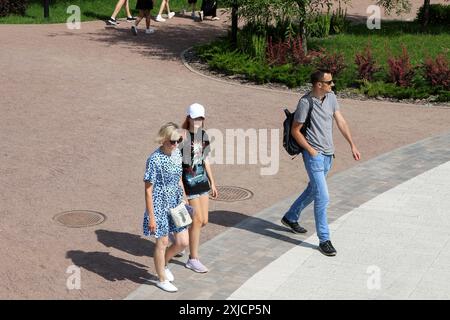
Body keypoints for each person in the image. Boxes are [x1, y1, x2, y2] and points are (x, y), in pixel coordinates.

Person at [281, 69, 361, 257]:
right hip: (314, 156)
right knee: (323, 197)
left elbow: (341, 121)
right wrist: (310, 151)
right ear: (319, 84)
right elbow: (295, 130)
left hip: (328, 155)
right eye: (329, 82)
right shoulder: (305, 102)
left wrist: (352, 145)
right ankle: (324, 239)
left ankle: (290, 217)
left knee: (313, 190)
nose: (332, 85)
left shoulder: (331, 97)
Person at [143, 122, 190, 292]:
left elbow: (179, 178)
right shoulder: (154, 159)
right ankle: (161, 278)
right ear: (163, 139)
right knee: (162, 242)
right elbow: (148, 191)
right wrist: (152, 216)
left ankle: (164, 263)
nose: (175, 144)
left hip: (176, 202)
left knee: (183, 242)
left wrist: (184, 196)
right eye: (172, 141)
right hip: (160, 204)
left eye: (178, 141)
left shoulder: (177, 153)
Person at [180, 103, 218, 273]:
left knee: (204, 221)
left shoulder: (203, 135)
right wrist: (182, 192)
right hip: (189, 184)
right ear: (188, 117)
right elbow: (176, 166)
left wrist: (213, 182)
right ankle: (193, 258)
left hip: (202, 183)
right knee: (196, 221)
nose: (198, 121)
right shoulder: (181, 137)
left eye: (201, 118)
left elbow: (205, 160)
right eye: (195, 118)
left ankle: (181, 240)